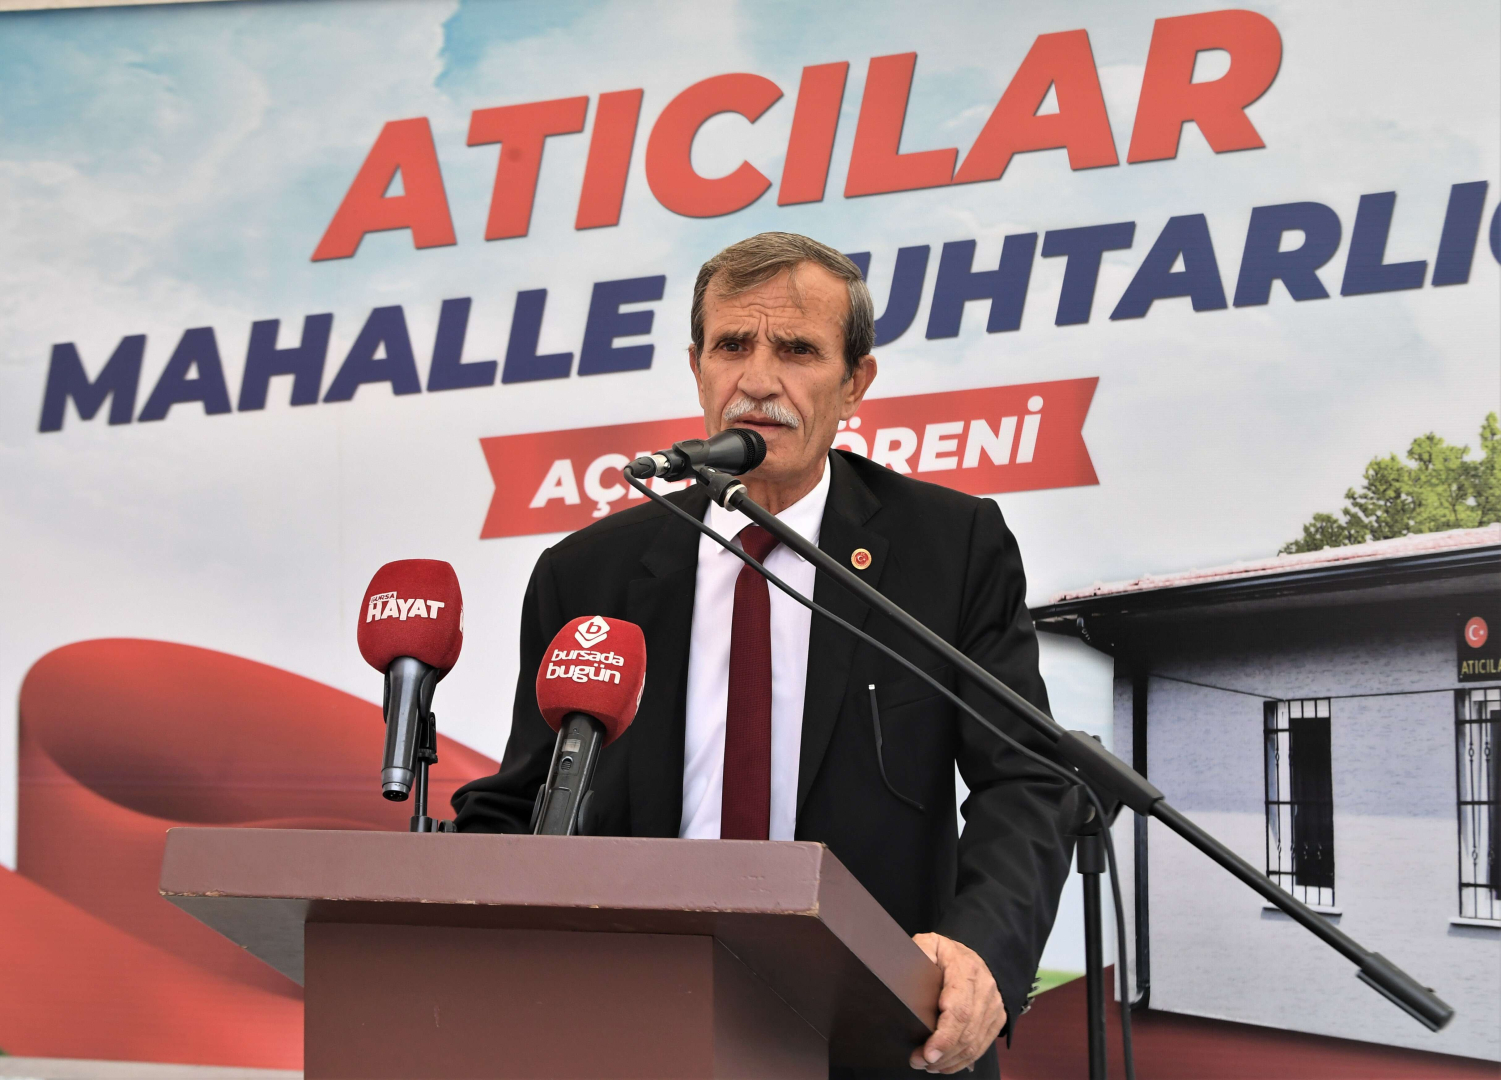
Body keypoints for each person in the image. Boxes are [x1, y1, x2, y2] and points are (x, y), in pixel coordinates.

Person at [453, 232, 1073, 1076]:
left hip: (878, 1034)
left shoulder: (948, 547)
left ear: (855, 382)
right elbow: (528, 801)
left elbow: (1027, 779)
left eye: (797, 350)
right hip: (638, 1028)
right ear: (696, 367)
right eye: (732, 345)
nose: (756, 380)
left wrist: (978, 952)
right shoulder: (589, 574)